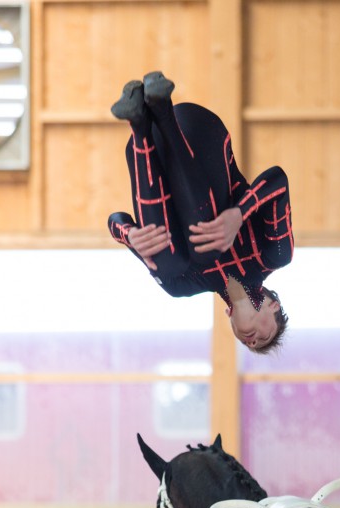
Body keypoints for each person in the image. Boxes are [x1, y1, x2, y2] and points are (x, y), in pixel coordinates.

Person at [108, 71, 292, 353]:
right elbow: (277, 181)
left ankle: (139, 122)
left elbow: (115, 221)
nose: (251, 341)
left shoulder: (184, 285)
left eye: (248, 344)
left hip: (150, 152)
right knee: (209, 249)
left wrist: (130, 236)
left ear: (229, 318)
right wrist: (239, 214)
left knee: (169, 268)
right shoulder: (273, 255)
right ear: (273, 305)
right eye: (264, 338)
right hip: (200, 132)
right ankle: (161, 108)